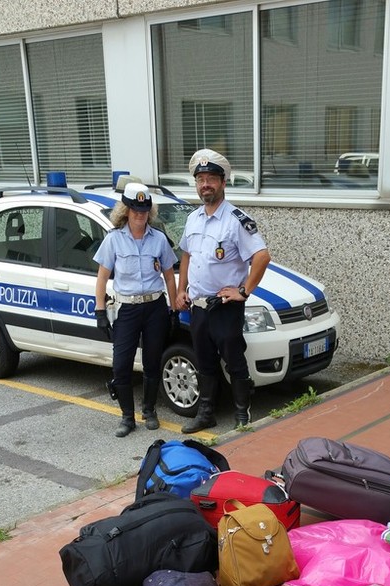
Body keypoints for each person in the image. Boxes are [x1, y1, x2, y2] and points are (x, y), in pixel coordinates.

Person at [175, 148, 271, 433]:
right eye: (201, 178)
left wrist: (244, 290)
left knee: (234, 360)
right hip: (198, 306)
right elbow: (186, 255)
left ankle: (242, 415)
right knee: (204, 362)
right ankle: (206, 414)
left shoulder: (236, 219)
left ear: (223, 182)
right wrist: (181, 291)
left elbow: (262, 256)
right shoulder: (193, 218)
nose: (205, 184)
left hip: (225, 306)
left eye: (211, 179)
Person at [94, 181, 177, 437]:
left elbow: (169, 275)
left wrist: (173, 308)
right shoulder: (114, 240)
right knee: (121, 365)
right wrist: (99, 311)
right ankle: (127, 417)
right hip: (127, 310)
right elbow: (102, 277)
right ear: (126, 210)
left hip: (154, 307)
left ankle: (149, 411)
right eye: (135, 210)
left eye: (144, 210)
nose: (140, 215)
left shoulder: (159, 239)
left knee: (152, 363)